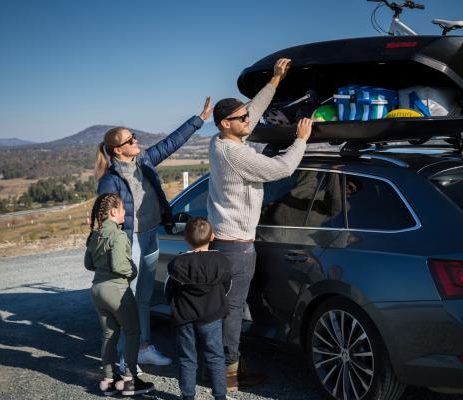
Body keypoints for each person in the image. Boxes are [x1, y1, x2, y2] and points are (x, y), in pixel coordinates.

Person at [207, 58, 313, 391]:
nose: (248, 120)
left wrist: (276, 80)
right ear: (225, 124)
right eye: (241, 119)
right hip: (235, 246)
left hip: (230, 241)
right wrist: (301, 140)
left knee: (231, 307)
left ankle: (227, 363)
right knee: (232, 310)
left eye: (246, 116)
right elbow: (281, 169)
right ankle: (227, 373)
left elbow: (252, 109)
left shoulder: (220, 140)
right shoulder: (234, 154)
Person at [95, 98, 213, 368]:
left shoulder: (144, 162)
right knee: (126, 300)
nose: (136, 140)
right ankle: (125, 356)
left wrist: (199, 120)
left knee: (144, 297)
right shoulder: (110, 180)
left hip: (150, 235)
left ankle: (144, 347)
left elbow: (171, 143)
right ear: (118, 150)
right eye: (130, 139)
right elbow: (105, 218)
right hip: (129, 242)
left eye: (134, 136)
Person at [84, 193, 154, 396]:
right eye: (123, 209)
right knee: (132, 332)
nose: (125, 212)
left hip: (97, 289)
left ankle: (108, 381)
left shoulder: (95, 235)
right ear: (114, 212)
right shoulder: (119, 235)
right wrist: (133, 271)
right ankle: (130, 380)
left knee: (109, 334)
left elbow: (89, 264)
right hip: (116, 289)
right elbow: (119, 265)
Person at [165, 217, 231, 400]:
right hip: (212, 315)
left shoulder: (177, 263)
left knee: (187, 358)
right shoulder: (221, 261)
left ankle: (188, 396)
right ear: (212, 237)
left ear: (186, 238)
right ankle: (220, 396)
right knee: (215, 356)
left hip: (184, 317)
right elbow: (227, 286)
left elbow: (168, 290)